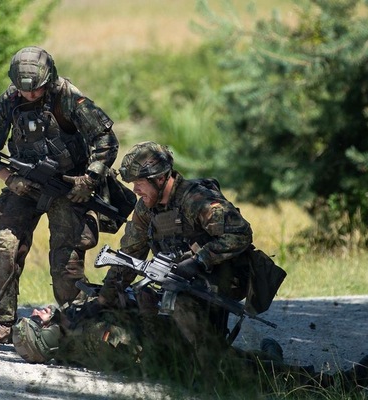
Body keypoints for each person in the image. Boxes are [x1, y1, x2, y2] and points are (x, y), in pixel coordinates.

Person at [95, 141, 286, 377]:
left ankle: (232, 368)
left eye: (140, 183)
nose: (136, 190)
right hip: (185, 282)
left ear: (160, 178)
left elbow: (240, 233)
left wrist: (197, 261)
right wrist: (105, 298)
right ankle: (243, 357)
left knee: (191, 326)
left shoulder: (196, 199)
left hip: (224, 279)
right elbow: (130, 253)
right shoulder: (147, 208)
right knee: (140, 300)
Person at [0, 46, 119, 346]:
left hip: (69, 188)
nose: (30, 96)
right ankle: (1, 324)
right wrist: (9, 179)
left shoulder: (67, 97)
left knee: (66, 263)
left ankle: (78, 329)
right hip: (25, 185)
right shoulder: (8, 101)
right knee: (2, 246)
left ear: (48, 79)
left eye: (36, 90)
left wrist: (89, 179)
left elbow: (105, 139)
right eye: (24, 91)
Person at [11, 298, 368, 392]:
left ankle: (268, 357)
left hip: (180, 350)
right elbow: (139, 347)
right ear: (46, 336)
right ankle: (332, 384)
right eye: (36, 320)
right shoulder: (90, 337)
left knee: (247, 360)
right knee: (248, 371)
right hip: (183, 361)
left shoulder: (77, 329)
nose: (39, 311)